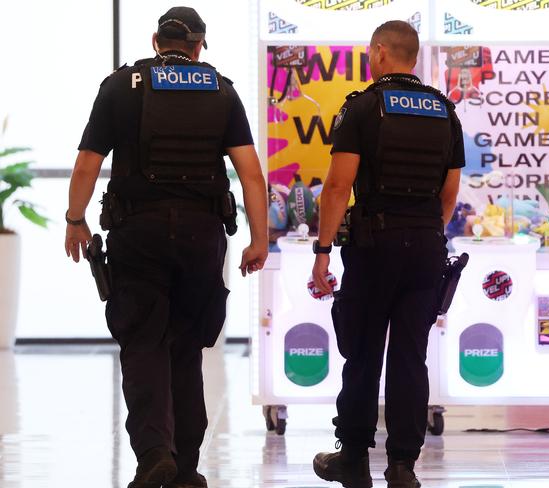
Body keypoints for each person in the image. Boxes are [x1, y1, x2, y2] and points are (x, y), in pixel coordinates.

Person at [64, 7, 267, 488]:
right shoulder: (221, 89)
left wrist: (76, 220)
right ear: (199, 46)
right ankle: (187, 465)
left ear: (156, 40)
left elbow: (87, 165)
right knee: (185, 349)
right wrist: (258, 239)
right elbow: (251, 173)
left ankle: (155, 452)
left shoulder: (119, 86)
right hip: (202, 236)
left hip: (139, 233)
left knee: (142, 343)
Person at [310, 20, 465, 488]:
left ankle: (353, 457)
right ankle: (403, 465)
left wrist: (322, 251)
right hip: (425, 247)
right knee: (409, 357)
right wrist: (422, 231)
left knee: (362, 353)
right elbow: (450, 192)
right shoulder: (444, 110)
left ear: (379, 53)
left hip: (374, 246)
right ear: (412, 57)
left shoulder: (363, 107)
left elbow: (337, 187)